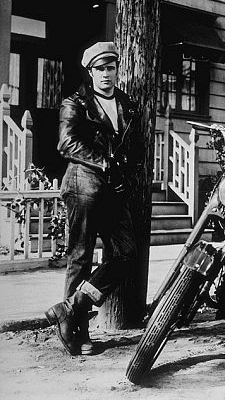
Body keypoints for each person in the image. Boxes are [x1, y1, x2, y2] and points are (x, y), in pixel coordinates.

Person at [45, 41, 142, 356]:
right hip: (83, 184)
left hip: (114, 188)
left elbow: (135, 146)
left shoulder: (127, 103)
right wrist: (105, 161)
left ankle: (71, 307)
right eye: (99, 69)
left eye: (110, 67)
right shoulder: (75, 103)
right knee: (81, 257)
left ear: (116, 69)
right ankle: (78, 334)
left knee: (126, 253)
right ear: (90, 71)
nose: (105, 74)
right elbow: (66, 143)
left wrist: (127, 172)